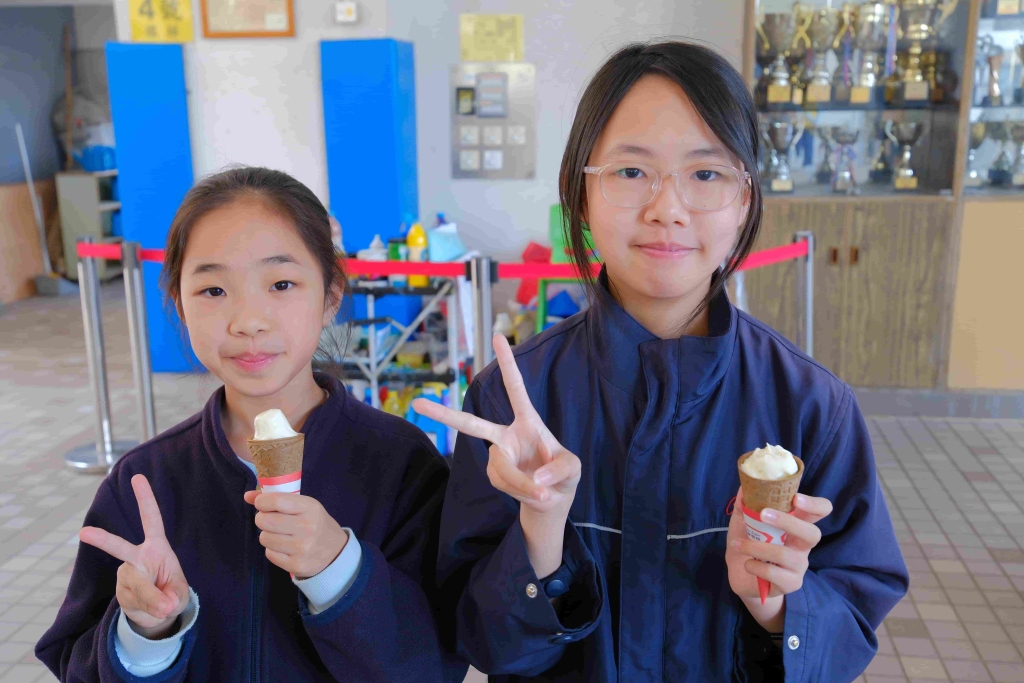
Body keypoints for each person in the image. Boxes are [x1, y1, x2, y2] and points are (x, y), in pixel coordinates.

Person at [415, 42, 909, 682]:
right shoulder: (512, 404)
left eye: (705, 174)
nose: (666, 209)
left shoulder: (812, 407)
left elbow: (852, 622)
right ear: (581, 195)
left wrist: (779, 606)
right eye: (630, 171)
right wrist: (540, 537)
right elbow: (483, 643)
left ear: (745, 200)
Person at [36, 167, 466, 683]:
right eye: (213, 290)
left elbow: (436, 664)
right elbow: (77, 666)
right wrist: (146, 633)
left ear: (331, 295)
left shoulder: (402, 464)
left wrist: (339, 570)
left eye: (281, 284)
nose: (248, 321)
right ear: (179, 304)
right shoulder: (144, 481)